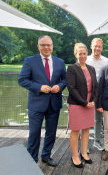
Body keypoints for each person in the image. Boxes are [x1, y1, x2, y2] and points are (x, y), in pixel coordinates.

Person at [18, 35, 66, 166]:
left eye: (48, 45)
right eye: (43, 45)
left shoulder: (60, 62)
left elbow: (65, 79)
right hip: (36, 104)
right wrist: (39, 87)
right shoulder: (30, 61)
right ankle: (32, 160)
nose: (46, 47)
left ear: (52, 46)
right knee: (34, 133)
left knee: (51, 133)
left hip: (54, 104)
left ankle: (46, 155)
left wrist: (59, 86)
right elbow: (22, 80)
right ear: (38, 46)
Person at [66, 43, 98, 168]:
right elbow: (72, 88)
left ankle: (84, 153)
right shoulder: (72, 68)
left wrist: (93, 100)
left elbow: (96, 86)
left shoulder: (91, 68)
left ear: (87, 54)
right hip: (77, 104)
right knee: (75, 130)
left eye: (84, 53)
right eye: (80, 54)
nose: (82, 56)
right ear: (76, 54)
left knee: (86, 129)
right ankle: (75, 156)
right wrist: (84, 102)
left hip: (90, 104)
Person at [86, 38, 108, 151]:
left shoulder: (106, 61)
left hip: (101, 93)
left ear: (102, 48)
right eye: (95, 46)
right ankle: (84, 145)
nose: (97, 48)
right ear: (91, 46)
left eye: (99, 46)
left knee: (98, 118)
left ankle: (97, 141)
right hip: (87, 93)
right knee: (84, 118)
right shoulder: (85, 59)